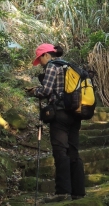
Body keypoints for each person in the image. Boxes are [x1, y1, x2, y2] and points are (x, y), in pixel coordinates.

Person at [28, 43, 86, 203]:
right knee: (73, 151)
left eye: (40, 58)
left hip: (60, 114)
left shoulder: (52, 67)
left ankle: (62, 192)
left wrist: (34, 91)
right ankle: (78, 192)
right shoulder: (70, 66)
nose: (39, 62)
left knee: (60, 151)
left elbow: (46, 91)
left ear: (46, 55)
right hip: (76, 114)